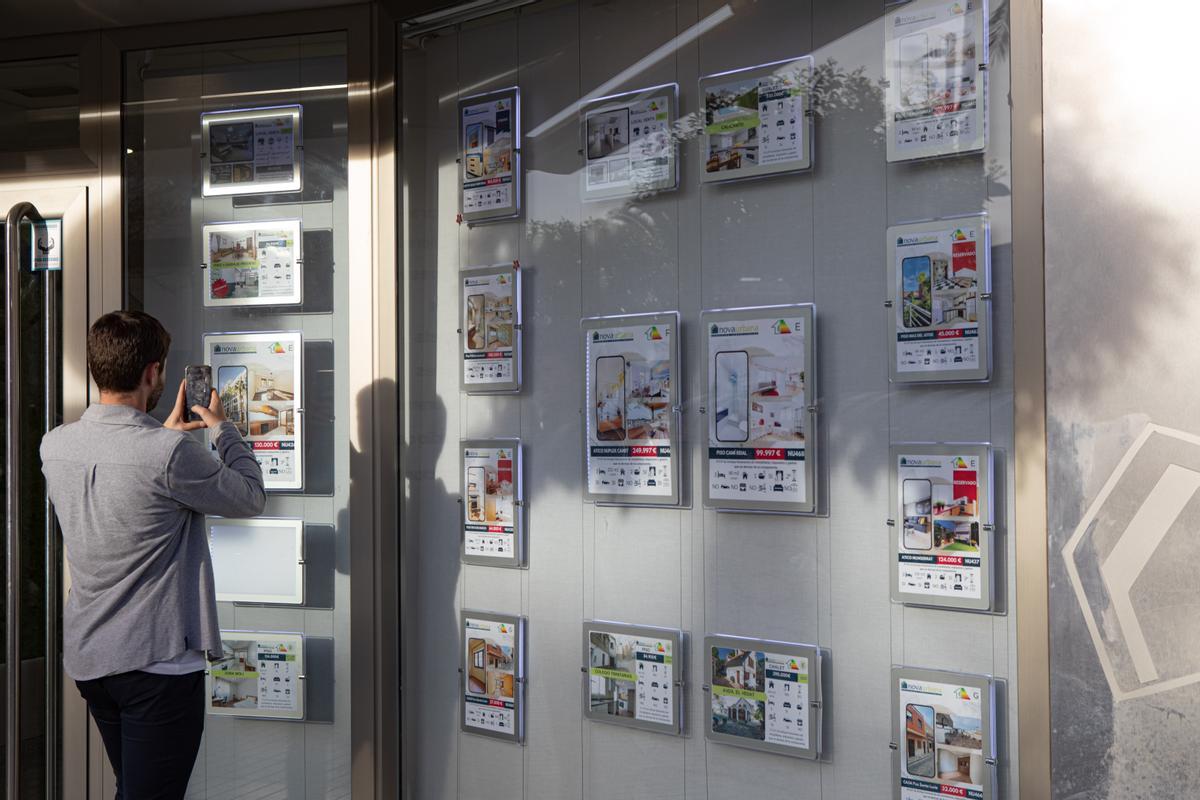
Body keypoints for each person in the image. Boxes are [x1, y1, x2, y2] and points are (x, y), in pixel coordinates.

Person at [40, 310, 265, 800]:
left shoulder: (54, 446)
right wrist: (223, 428)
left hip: (93, 662)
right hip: (156, 666)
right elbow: (249, 495)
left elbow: (127, 484)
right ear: (151, 373)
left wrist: (164, 437)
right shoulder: (168, 455)